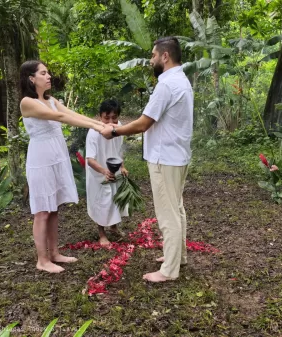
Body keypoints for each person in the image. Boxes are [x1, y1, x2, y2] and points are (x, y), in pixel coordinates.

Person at [101, 37, 194, 283]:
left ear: (165, 56)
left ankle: (169, 270)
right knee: (177, 208)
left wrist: (114, 130)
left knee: (167, 214)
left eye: (153, 55)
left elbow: (143, 123)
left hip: (166, 158)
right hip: (178, 156)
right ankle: (177, 256)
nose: (151, 60)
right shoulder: (182, 80)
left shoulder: (166, 85)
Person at [19, 60, 106, 273]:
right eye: (43, 73)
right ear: (32, 78)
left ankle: (55, 253)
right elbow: (60, 117)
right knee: (42, 211)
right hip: (41, 160)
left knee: (54, 207)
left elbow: (71, 113)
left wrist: (99, 124)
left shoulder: (51, 100)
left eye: (48, 72)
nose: (48, 76)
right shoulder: (27, 102)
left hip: (57, 156)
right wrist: (96, 126)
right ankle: (42, 260)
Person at [85, 99, 129, 246]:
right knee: (101, 202)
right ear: (99, 117)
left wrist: (122, 166)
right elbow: (90, 159)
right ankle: (101, 233)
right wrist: (104, 171)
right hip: (98, 172)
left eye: (114, 118)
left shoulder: (119, 128)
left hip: (114, 169)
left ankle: (114, 227)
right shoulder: (93, 133)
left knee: (115, 199)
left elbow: (119, 149)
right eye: (106, 118)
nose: (111, 122)